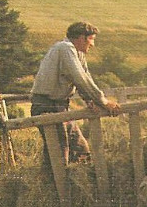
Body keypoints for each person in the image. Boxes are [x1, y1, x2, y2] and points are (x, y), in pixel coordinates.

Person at [30, 21, 121, 166]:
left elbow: (86, 77)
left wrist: (90, 101)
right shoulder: (65, 48)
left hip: (60, 106)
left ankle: (77, 185)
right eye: (91, 39)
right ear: (81, 38)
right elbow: (79, 77)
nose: (92, 45)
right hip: (47, 106)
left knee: (80, 148)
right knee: (59, 153)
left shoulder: (78, 53)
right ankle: (53, 186)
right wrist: (103, 101)